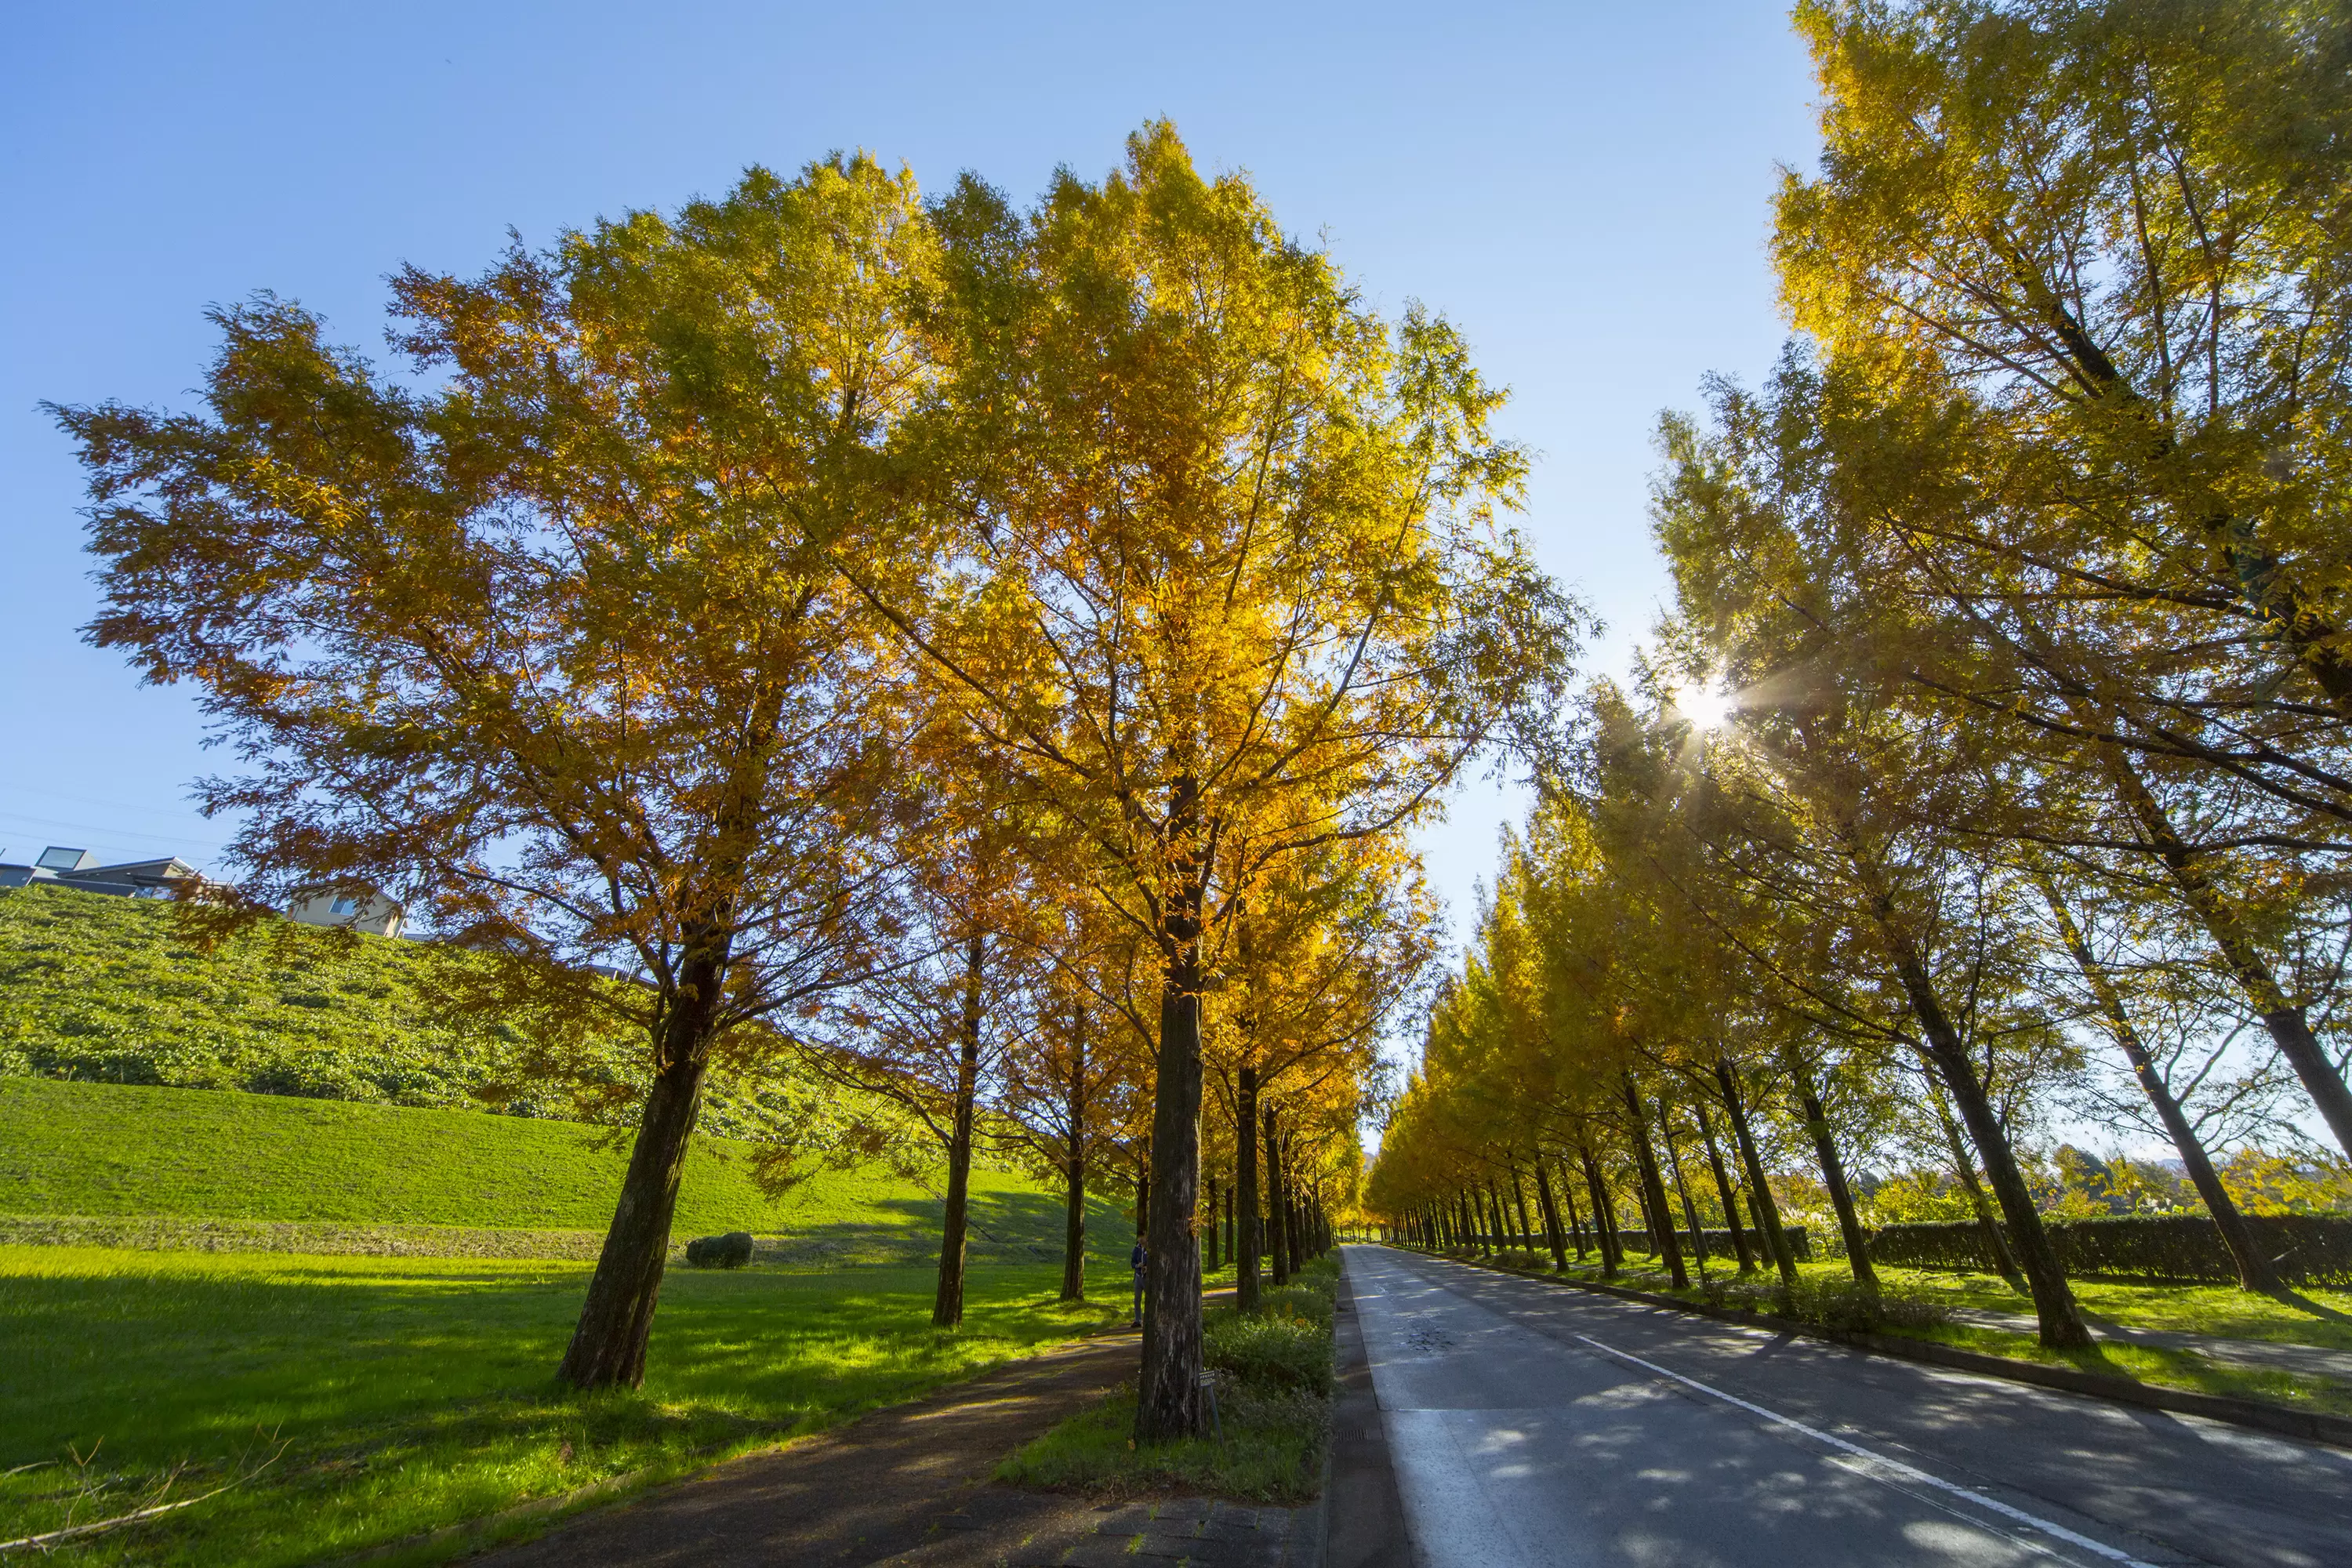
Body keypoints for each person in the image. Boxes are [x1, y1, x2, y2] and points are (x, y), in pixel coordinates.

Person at [1129, 1235, 1145, 1328]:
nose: (1140, 1239)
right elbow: (1132, 1263)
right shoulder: (1136, 1249)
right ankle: (1137, 1320)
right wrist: (1137, 1266)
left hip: (1146, 1277)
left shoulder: (1149, 1249)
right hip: (1138, 1276)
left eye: (1142, 1237)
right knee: (1137, 1299)